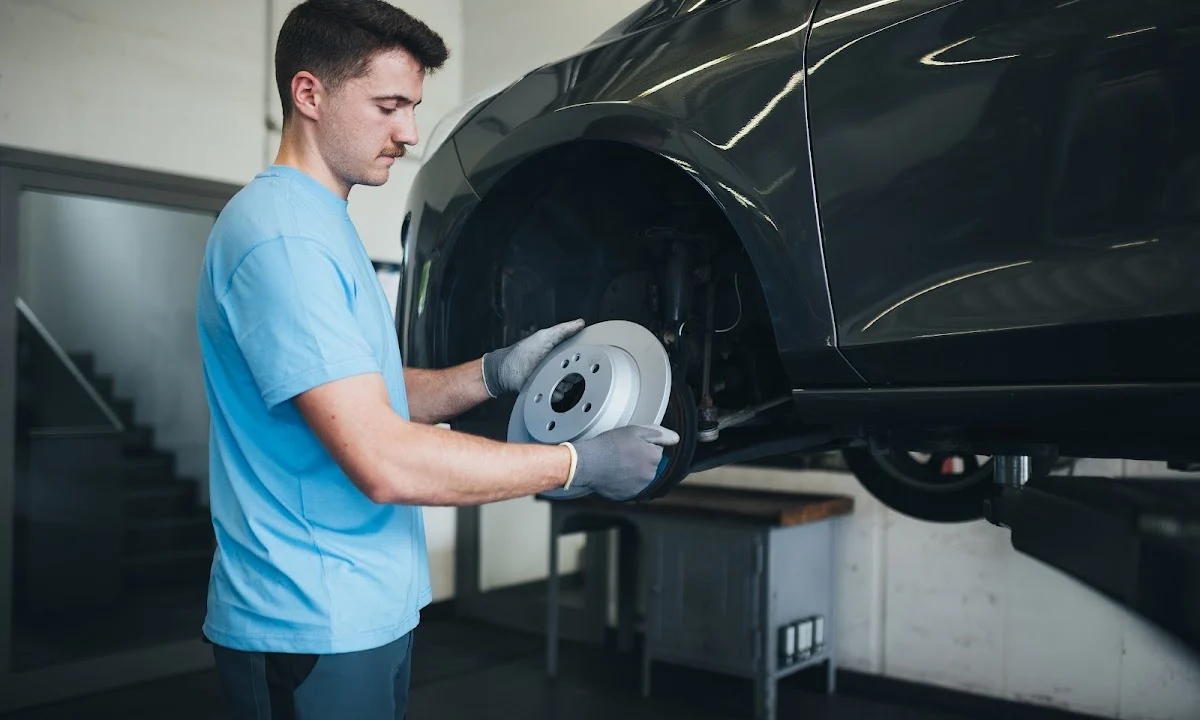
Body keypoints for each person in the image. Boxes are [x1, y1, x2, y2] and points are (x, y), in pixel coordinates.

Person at [194, 0, 678, 718]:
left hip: (363, 608)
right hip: (310, 618)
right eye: (389, 106)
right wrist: (578, 464)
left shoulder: (321, 225)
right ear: (309, 94)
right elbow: (383, 459)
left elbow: (364, 396)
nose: (410, 134)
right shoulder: (282, 239)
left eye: (413, 108)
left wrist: (493, 372)